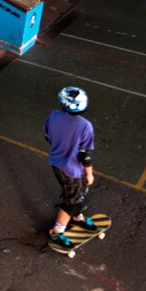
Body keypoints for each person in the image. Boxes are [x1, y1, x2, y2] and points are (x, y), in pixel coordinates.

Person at [44, 86, 98, 249]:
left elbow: (47, 136)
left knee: (75, 192)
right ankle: (57, 231)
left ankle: (77, 218)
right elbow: (85, 156)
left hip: (56, 163)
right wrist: (89, 175)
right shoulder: (85, 126)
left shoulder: (53, 116)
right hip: (71, 169)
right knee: (73, 201)